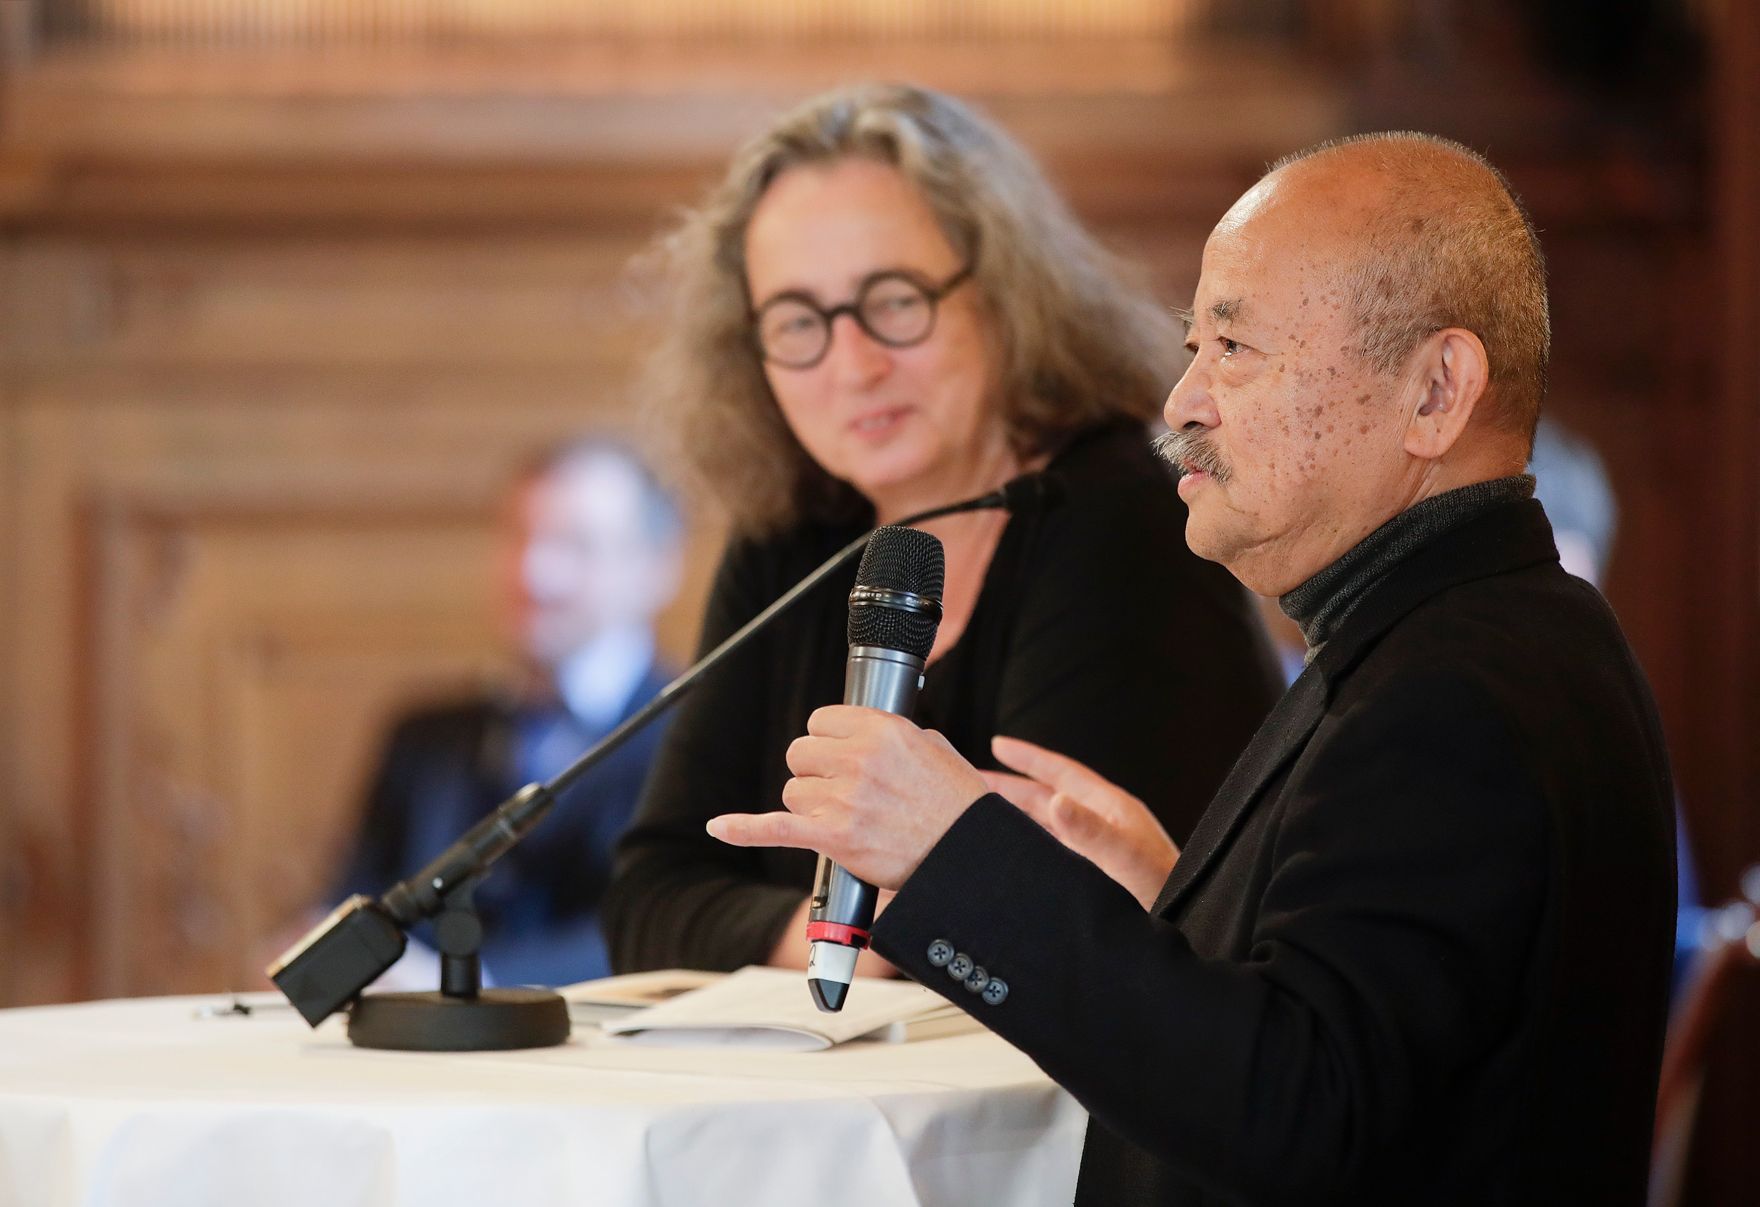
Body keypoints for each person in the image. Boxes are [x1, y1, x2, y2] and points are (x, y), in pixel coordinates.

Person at [708, 132, 1677, 1204]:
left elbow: (1290, 1115)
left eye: (1234, 348)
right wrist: (1179, 904)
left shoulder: (1454, 691)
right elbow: (1364, 1045)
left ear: (1434, 391)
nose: (1182, 403)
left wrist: (955, 857)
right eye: (1191, 348)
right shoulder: (1459, 632)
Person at [602, 84, 1284, 975]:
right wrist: (841, 942)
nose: (853, 365)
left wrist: (860, 938)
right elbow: (650, 901)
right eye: (799, 322)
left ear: (1003, 291)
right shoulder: (792, 535)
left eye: (895, 301)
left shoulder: (1126, 519)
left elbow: (1059, 917)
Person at [331, 438, 683, 987]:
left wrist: (476, 981)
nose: (534, 573)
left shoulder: (698, 730)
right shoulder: (422, 733)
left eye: (576, 545)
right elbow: (357, 897)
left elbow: (677, 926)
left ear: (656, 568)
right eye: (519, 537)